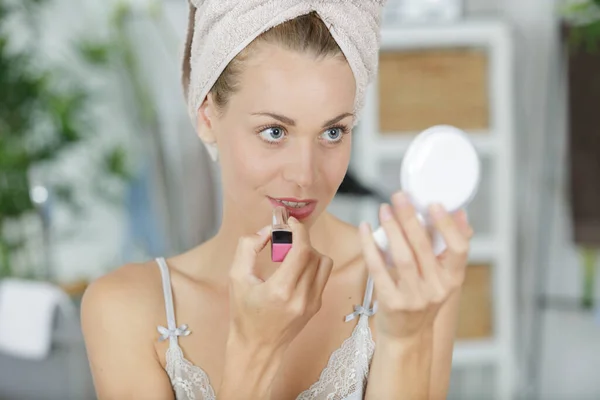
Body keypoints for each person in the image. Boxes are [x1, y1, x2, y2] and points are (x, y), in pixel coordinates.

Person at [81, 1, 474, 399]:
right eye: (274, 132)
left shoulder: (405, 282)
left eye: (333, 132)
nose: (304, 176)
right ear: (206, 117)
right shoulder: (126, 308)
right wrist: (256, 349)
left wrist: (405, 339)